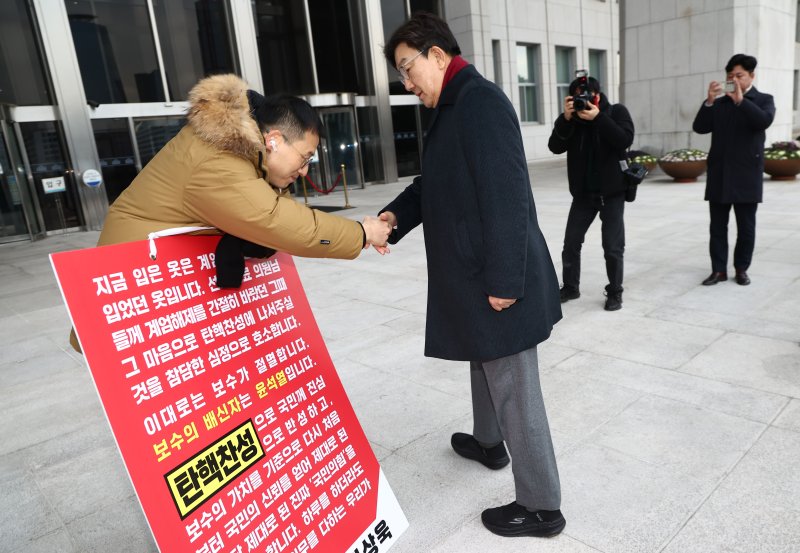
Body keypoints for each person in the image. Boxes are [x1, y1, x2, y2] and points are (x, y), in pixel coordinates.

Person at [378, 12, 565, 538]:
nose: (407, 83)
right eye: (401, 75)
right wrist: (394, 218)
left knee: (513, 384)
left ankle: (542, 506)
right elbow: (432, 182)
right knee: (484, 360)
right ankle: (488, 443)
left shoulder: (479, 103)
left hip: (497, 275)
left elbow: (507, 198)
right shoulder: (456, 104)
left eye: (408, 68)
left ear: (438, 54)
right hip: (474, 271)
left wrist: (507, 282)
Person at [69, 73, 391, 352]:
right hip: (132, 294)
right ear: (274, 139)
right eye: (304, 158)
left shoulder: (237, 151)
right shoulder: (217, 159)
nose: (305, 171)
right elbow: (276, 220)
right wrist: (360, 234)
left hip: (159, 287)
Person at [547, 74, 634, 311]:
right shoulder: (572, 120)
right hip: (583, 195)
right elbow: (554, 146)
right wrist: (565, 119)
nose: (582, 101)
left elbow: (624, 138)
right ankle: (571, 287)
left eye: (586, 96)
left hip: (613, 193)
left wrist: (599, 118)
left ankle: (615, 291)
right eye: (577, 97)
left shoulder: (616, 112)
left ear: (597, 95)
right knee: (571, 243)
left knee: (612, 247)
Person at [693, 53, 775, 286]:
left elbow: (762, 121)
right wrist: (709, 101)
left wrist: (741, 101)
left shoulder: (764, 100)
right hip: (720, 173)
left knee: (746, 227)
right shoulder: (719, 104)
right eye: (731, 75)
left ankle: (741, 268)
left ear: (751, 76)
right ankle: (718, 270)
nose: (735, 79)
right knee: (717, 227)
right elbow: (700, 127)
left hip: (747, 173)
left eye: (739, 75)